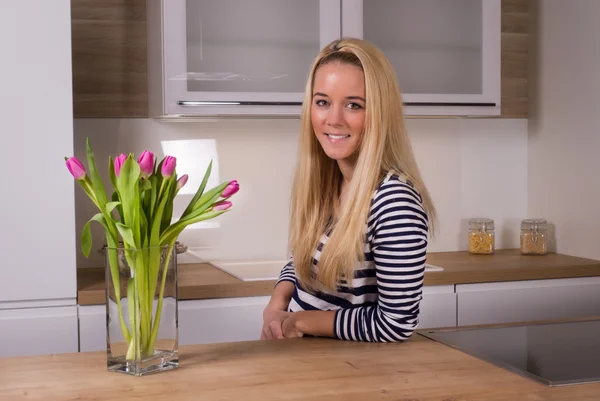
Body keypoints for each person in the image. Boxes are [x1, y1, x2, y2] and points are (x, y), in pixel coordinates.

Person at [260, 38, 436, 343]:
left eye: (354, 105)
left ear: (380, 114)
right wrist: (277, 303)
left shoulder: (394, 201)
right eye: (323, 102)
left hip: (353, 377)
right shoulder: (328, 181)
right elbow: (300, 262)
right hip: (309, 365)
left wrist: (300, 323)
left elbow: (395, 324)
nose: (334, 119)